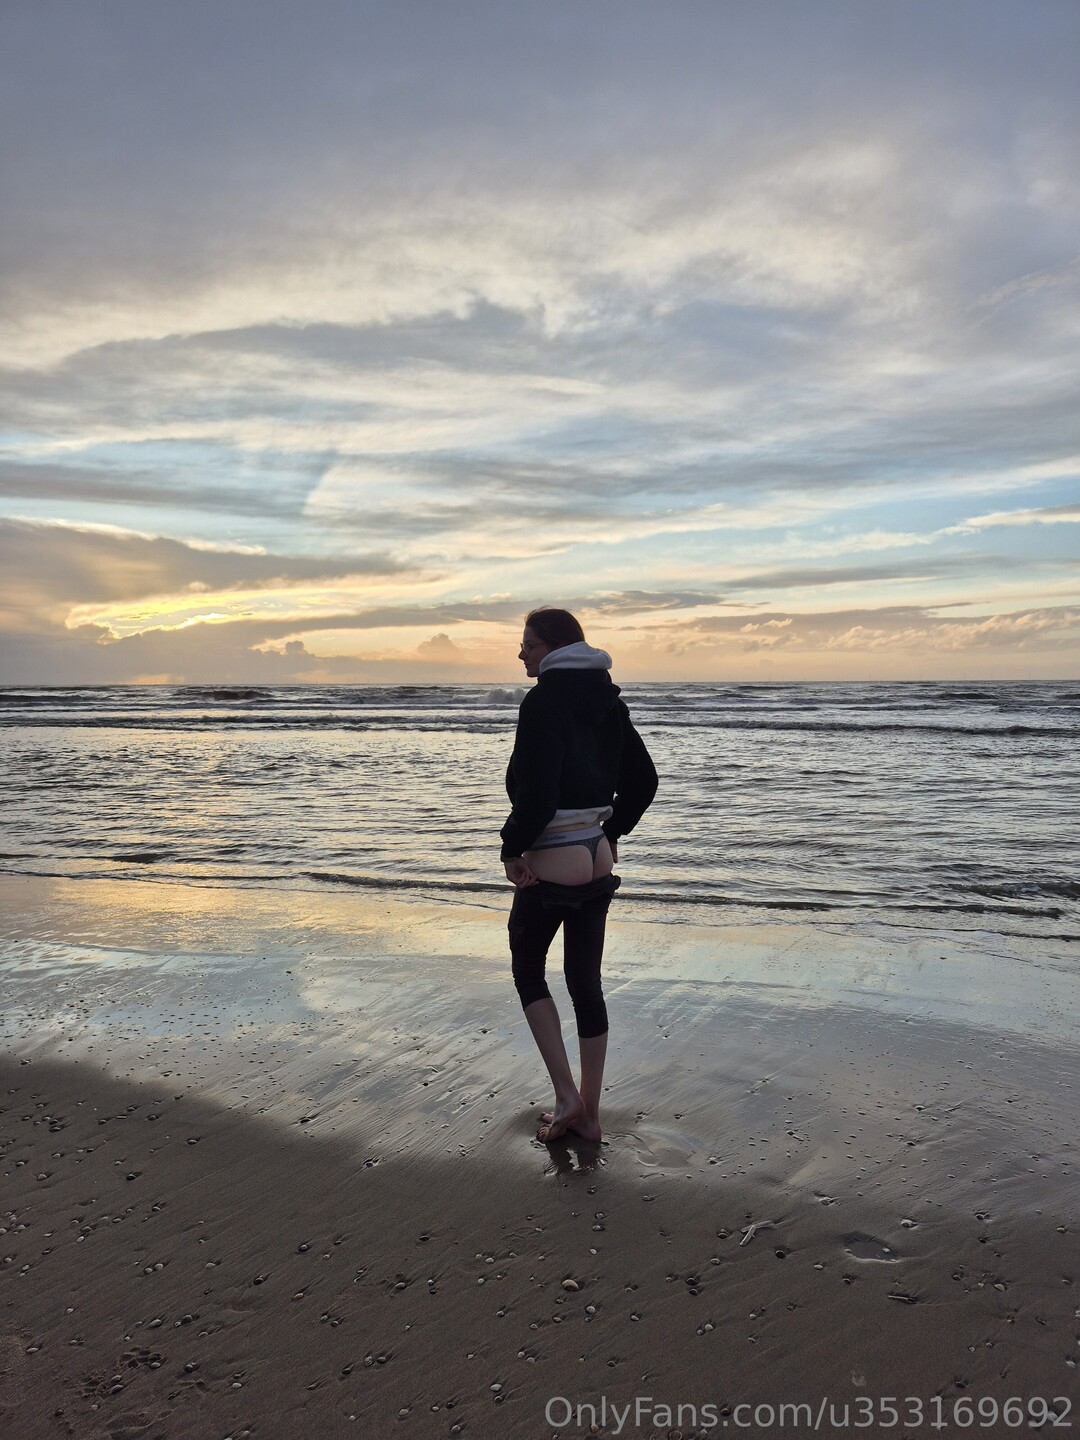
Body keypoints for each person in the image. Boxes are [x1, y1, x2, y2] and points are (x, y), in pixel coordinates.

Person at [501, 607, 658, 1143]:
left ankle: (566, 1097)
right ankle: (589, 1115)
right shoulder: (610, 700)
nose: (521, 654)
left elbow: (538, 795)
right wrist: (613, 832)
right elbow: (644, 781)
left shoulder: (542, 701)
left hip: (554, 854)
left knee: (528, 970)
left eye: (528, 644)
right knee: (585, 985)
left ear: (553, 648)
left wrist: (511, 848)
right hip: (596, 854)